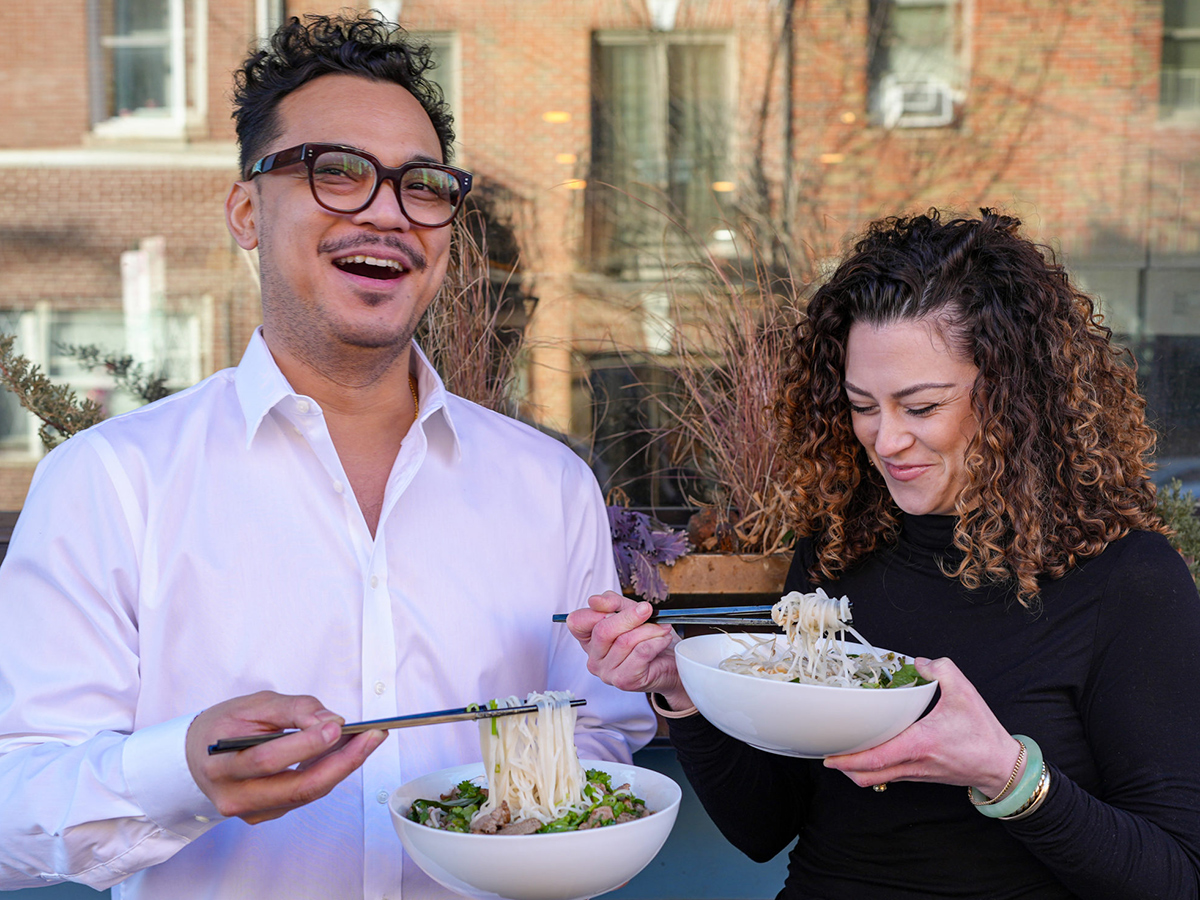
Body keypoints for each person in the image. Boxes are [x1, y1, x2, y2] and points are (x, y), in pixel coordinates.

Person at [0, 13, 654, 898]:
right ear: (245, 210)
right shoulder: (111, 481)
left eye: (422, 186)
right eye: (336, 172)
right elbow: (16, 808)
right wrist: (180, 772)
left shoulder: (549, 486)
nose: (388, 212)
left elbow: (597, 736)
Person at [568, 209, 1200, 898]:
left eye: (921, 407)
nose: (885, 440)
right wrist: (683, 692)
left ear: (1019, 397)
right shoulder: (841, 554)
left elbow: (1176, 875)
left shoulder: (1127, 580)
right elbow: (764, 828)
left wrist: (1009, 776)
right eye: (862, 405)